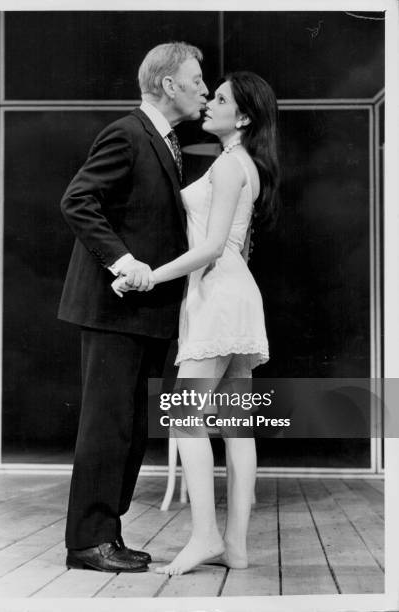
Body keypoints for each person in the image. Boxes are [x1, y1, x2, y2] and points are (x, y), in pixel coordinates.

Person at [113, 71, 280, 575]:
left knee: (186, 421)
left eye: (221, 99)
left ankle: (205, 535)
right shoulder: (243, 165)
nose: (209, 103)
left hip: (219, 295)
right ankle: (236, 547)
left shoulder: (231, 166)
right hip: (232, 292)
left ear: (244, 116)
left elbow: (208, 248)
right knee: (234, 428)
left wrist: (147, 277)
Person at [58, 42, 208, 573]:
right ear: (169, 85)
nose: (204, 89)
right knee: (108, 426)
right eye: (196, 78)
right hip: (112, 310)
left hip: (141, 314)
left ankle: (106, 535)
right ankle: (88, 543)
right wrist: (123, 263)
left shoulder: (166, 141)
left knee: (129, 428)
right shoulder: (127, 132)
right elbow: (78, 200)